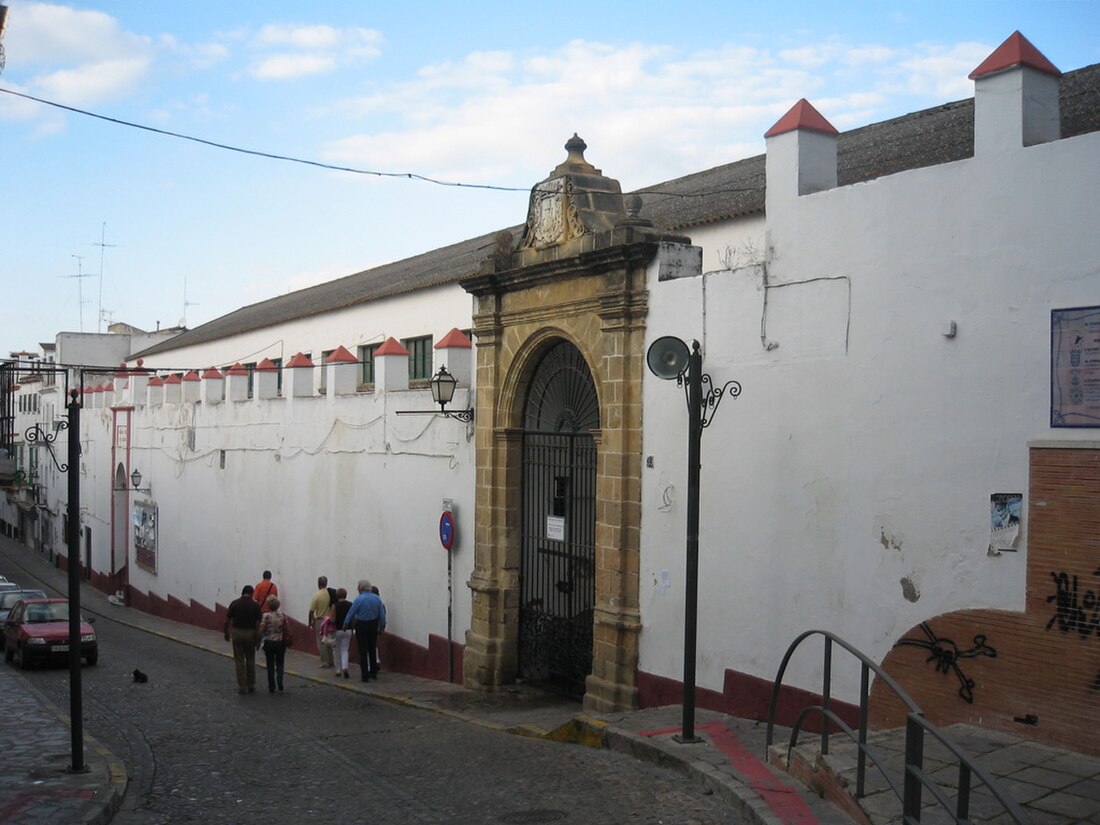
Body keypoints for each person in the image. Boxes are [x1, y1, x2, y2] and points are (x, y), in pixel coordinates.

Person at [343, 579, 386, 682]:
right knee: (372, 649)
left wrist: (345, 623)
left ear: (361, 589)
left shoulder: (359, 599)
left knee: (363, 651)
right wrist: (382, 626)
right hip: (373, 625)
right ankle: (373, 673)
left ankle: (365, 675)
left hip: (362, 625)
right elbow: (382, 615)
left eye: (358, 588)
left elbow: (351, 613)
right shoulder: (377, 599)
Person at [223, 585, 262, 694]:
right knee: (250, 659)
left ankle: (242, 686)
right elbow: (258, 623)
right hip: (250, 633)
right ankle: (251, 684)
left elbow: (227, 620)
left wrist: (226, 632)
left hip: (237, 632)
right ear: (252, 593)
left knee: (239, 660)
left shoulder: (235, 603)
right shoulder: (256, 605)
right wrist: (257, 637)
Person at [259, 595, 291, 693]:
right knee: (280, 662)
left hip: (269, 642)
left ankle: (271, 685)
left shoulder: (266, 616)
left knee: (270, 664)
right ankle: (280, 680)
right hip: (280, 641)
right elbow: (287, 628)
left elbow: (261, 629)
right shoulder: (283, 615)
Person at [308, 575, 335, 669]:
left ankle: (325, 661)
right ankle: (331, 660)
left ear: (318, 584)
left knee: (322, 641)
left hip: (321, 620)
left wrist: (310, 622)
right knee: (329, 640)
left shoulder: (317, 595)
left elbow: (311, 611)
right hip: (330, 620)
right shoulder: (330, 594)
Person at [331, 587, 353, 678]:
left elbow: (333, 619)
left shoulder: (334, 605)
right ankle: (345, 667)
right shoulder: (351, 604)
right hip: (348, 630)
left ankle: (338, 670)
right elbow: (353, 617)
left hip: (337, 629)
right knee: (345, 649)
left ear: (337, 596)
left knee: (336, 650)